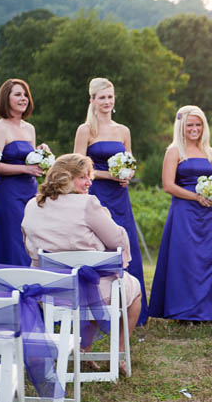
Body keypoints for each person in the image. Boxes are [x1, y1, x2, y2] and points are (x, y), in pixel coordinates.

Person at [21, 153, 142, 371]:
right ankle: (119, 355)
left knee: (92, 284)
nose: (89, 183)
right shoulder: (87, 203)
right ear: (65, 177)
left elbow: (28, 244)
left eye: (90, 177)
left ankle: (83, 349)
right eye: (83, 177)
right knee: (133, 292)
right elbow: (117, 240)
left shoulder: (32, 204)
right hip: (89, 287)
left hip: (50, 290)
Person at [74, 77, 148, 326]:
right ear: (92, 101)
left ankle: (130, 307)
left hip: (120, 196)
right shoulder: (86, 130)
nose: (107, 101)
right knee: (97, 245)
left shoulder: (123, 130)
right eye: (102, 97)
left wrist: (127, 175)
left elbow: (130, 164)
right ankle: (95, 308)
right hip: (95, 194)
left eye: (110, 96)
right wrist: (108, 174)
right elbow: (77, 168)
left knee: (124, 241)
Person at [149, 105, 212, 322]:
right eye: (190, 125)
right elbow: (168, 185)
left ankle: (211, 309)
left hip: (207, 213)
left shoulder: (210, 152)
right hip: (184, 212)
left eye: (198, 124)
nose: (194, 129)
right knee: (185, 258)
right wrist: (196, 197)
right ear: (181, 127)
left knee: (208, 256)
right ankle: (184, 310)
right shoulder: (174, 151)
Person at [0, 79, 46, 265]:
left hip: (30, 193)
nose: (23, 98)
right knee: (12, 243)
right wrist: (24, 168)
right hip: (8, 194)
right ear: (5, 98)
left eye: (25, 94)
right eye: (17, 94)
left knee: (30, 242)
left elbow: (31, 161)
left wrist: (42, 155)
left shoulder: (30, 128)